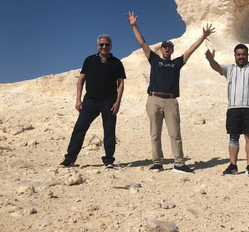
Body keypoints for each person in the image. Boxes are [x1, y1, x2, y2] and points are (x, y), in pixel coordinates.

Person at [126, 11, 214, 173]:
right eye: (165, 47)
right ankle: (157, 162)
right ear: (161, 50)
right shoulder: (154, 59)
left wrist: (202, 37)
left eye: (170, 47)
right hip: (154, 99)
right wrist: (134, 26)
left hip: (171, 101)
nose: (167, 49)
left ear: (172, 50)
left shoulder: (177, 63)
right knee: (155, 133)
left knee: (175, 133)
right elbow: (142, 43)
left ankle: (179, 163)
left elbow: (190, 50)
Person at [205, 43, 249, 177]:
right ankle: (233, 165)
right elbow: (217, 68)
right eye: (238, 54)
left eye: (243, 54)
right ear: (235, 56)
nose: (241, 57)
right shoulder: (229, 68)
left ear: (247, 55)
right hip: (233, 108)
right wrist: (210, 59)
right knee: (233, 137)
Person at [60, 34, 126, 169]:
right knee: (80, 128)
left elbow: (120, 83)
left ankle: (108, 160)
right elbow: (81, 79)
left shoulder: (117, 63)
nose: (104, 47)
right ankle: (70, 158)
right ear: (97, 46)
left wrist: (117, 102)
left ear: (111, 46)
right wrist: (78, 99)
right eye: (101, 44)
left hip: (109, 101)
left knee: (109, 130)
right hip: (90, 100)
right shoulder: (89, 60)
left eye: (107, 44)